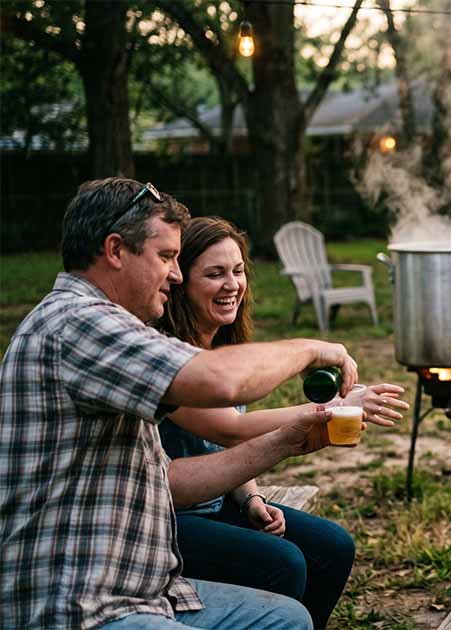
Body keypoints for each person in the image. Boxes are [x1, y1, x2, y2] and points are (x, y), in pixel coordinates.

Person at [1, 178, 360, 629]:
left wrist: (285, 442)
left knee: (286, 617)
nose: (175, 274)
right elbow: (224, 382)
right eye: (166, 257)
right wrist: (312, 348)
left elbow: (170, 479)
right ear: (115, 250)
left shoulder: (106, 326)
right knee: (282, 575)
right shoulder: (78, 323)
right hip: (76, 603)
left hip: (140, 585)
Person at [153, 217, 407, 628]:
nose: (232, 285)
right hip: (169, 516)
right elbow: (228, 429)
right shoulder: (169, 358)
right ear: (181, 283)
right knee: (284, 564)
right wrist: (337, 405)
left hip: (219, 501)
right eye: (215, 274)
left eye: (238, 271)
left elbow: (230, 446)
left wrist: (251, 499)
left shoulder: (222, 345)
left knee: (333, 547)